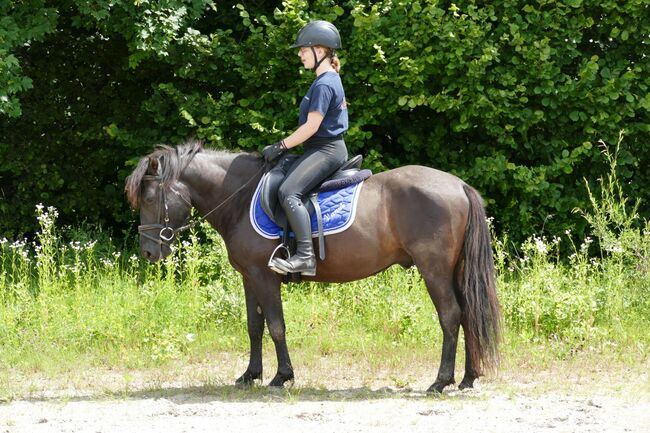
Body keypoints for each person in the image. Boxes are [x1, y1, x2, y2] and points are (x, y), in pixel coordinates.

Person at [262, 20, 349, 276]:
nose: (300, 54)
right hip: (322, 148)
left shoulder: (324, 84)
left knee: (289, 192)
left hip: (327, 150)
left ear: (320, 51)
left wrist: (281, 145)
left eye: (303, 49)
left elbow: (312, 126)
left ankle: (305, 257)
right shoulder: (327, 80)